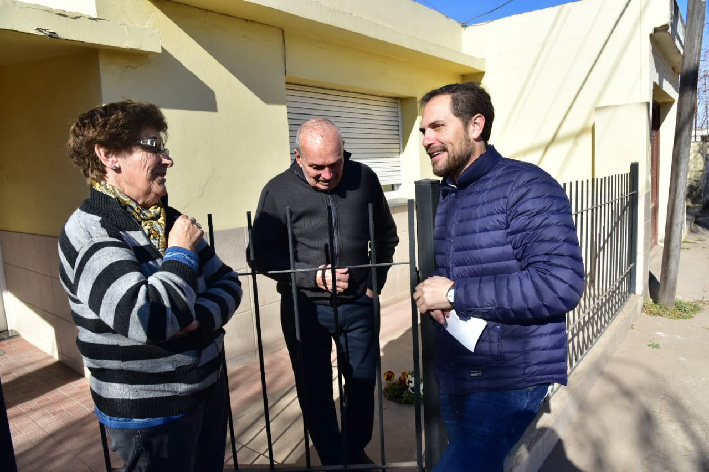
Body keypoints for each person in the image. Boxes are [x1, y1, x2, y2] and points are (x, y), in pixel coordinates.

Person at [59, 100, 243, 472]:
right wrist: (180, 252)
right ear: (110, 155)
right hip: (152, 414)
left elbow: (229, 282)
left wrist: (197, 320)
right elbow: (152, 319)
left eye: (164, 147)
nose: (167, 159)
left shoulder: (167, 219)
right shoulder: (91, 231)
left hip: (206, 389)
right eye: (153, 146)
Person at [413, 82, 584, 472]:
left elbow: (561, 283)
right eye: (424, 130)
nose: (426, 139)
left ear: (476, 126)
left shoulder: (527, 187)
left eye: (437, 127)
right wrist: (437, 293)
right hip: (460, 370)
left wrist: (455, 295)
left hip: (509, 377)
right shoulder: (451, 191)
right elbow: (468, 268)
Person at [249, 118, 399, 466]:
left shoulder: (364, 178)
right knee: (314, 389)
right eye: (318, 167)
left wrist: (374, 285)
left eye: (336, 164)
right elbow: (259, 255)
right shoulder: (278, 191)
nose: (329, 175)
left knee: (362, 384)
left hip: (358, 305)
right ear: (298, 157)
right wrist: (311, 276)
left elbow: (386, 236)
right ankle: (333, 459)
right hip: (305, 309)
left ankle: (354, 451)